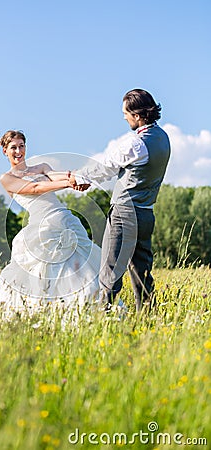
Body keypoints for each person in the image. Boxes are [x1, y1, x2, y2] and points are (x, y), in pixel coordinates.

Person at [70, 88, 171, 312]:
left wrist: (79, 176)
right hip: (146, 213)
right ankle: (147, 317)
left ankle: (104, 317)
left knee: (110, 268)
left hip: (125, 212)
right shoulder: (163, 138)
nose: (124, 117)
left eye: (126, 113)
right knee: (141, 271)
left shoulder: (136, 144)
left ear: (136, 115)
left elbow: (106, 166)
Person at [0, 130, 101, 319]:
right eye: (13, 147)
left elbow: (56, 176)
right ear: (5, 151)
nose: (18, 151)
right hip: (42, 227)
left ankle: (86, 304)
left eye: (21, 146)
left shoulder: (41, 167)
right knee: (48, 269)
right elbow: (34, 188)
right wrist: (68, 184)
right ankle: (50, 308)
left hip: (64, 220)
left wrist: (76, 179)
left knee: (80, 265)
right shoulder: (7, 178)